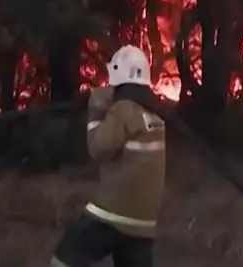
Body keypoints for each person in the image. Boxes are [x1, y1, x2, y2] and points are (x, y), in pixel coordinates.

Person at [51, 45, 166, 267]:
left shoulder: (123, 110)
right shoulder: (155, 118)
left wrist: (95, 112)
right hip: (143, 223)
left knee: (62, 261)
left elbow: (98, 149)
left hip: (112, 215)